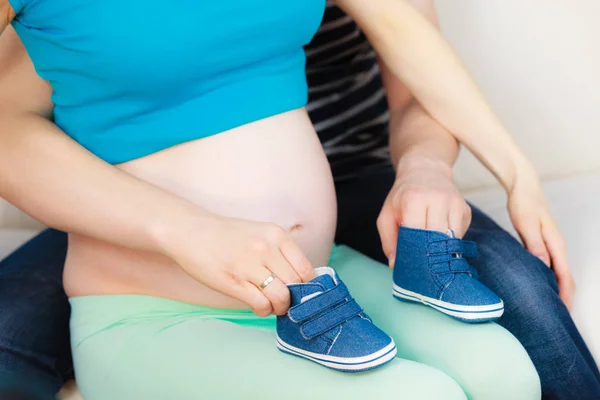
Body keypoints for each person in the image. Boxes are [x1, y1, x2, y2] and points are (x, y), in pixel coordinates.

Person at [0, 0, 594, 399]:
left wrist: (517, 172)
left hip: (316, 274)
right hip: (154, 301)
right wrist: (184, 229)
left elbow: (404, 30)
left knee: (507, 373)